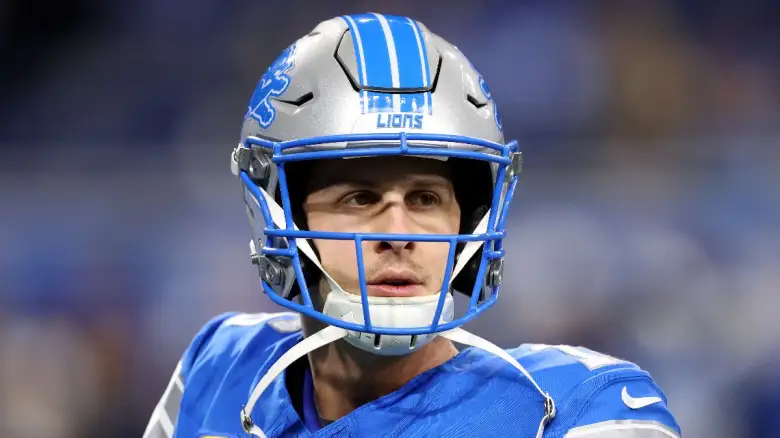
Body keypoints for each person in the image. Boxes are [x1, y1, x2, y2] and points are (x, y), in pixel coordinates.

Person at [144, 13, 681, 438]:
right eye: (359, 197)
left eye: (426, 198)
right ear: (279, 218)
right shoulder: (219, 370)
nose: (400, 232)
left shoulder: (574, 412)